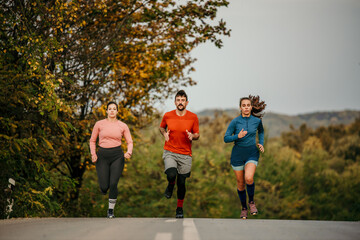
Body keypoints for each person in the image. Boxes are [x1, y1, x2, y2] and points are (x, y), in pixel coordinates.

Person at [224, 95, 266, 219]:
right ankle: (243, 208)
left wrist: (261, 143)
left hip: (252, 153)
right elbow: (226, 138)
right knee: (241, 184)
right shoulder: (235, 122)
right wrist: (238, 136)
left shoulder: (257, 121)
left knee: (249, 178)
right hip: (237, 154)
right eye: (244, 106)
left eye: (248, 105)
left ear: (251, 107)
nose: (246, 107)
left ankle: (251, 202)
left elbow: (261, 131)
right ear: (240, 108)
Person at [159, 90, 200, 218]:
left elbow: (197, 134)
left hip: (185, 154)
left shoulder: (193, 117)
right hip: (170, 151)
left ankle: (179, 208)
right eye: (178, 100)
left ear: (186, 102)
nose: (180, 102)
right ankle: (171, 184)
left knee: (181, 183)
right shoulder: (168, 115)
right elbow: (161, 127)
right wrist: (164, 133)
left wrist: (192, 136)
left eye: (182, 100)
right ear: (175, 102)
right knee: (171, 174)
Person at [90, 101, 133, 218]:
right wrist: (93, 154)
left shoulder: (123, 126)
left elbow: (129, 141)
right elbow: (92, 141)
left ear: (117, 111)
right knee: (104, 187)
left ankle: (110, 211)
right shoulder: (99, 124)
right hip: (102, 155)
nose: (112, 110)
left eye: (114, 109)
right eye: (110, 109)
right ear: (107, 111)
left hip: (117, 156)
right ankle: (105, 188)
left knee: (113, 183)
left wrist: (128, 152)